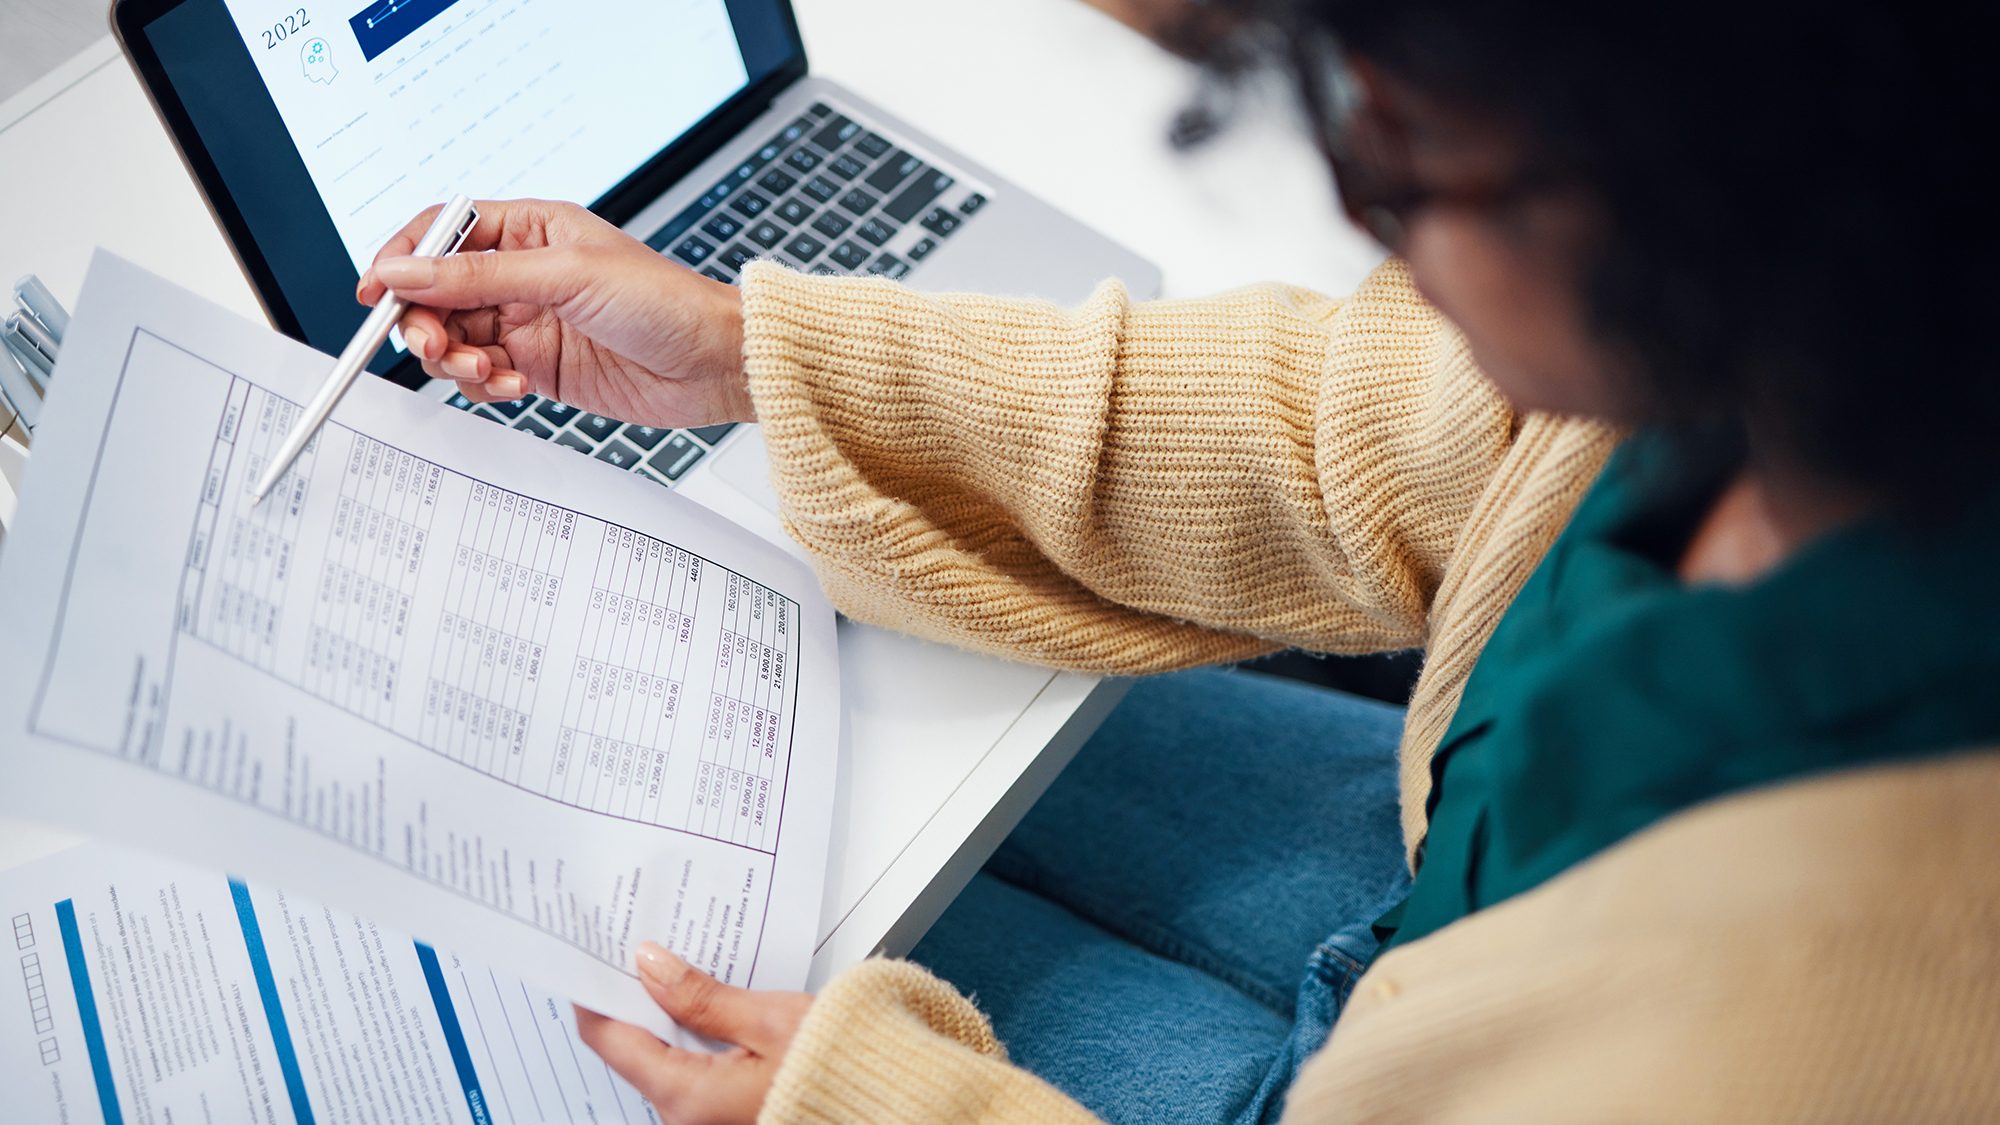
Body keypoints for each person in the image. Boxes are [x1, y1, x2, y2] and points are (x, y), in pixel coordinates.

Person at [357, 0, 2000, 1119]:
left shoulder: (1828, 1023)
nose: (1367, 224)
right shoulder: (1843, 363)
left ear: (1700, 198)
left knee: (598, 991)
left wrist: (884, 1096)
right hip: (1445, 899)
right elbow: (1364, 421)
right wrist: (741, 353)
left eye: (1406, 150)